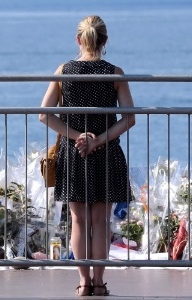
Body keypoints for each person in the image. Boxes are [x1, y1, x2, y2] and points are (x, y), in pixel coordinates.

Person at [39, 15, 135, 297]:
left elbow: (44, 115)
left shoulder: (64, 70)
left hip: (73, 152)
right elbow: (129, 119)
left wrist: (77, 136)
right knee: (100, 222)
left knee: (78, 221)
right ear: (105, 41)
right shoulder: (115, 73)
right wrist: (98, 139)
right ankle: (99, 282)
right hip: (107, 153)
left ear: (78, 39)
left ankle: (83, 282)